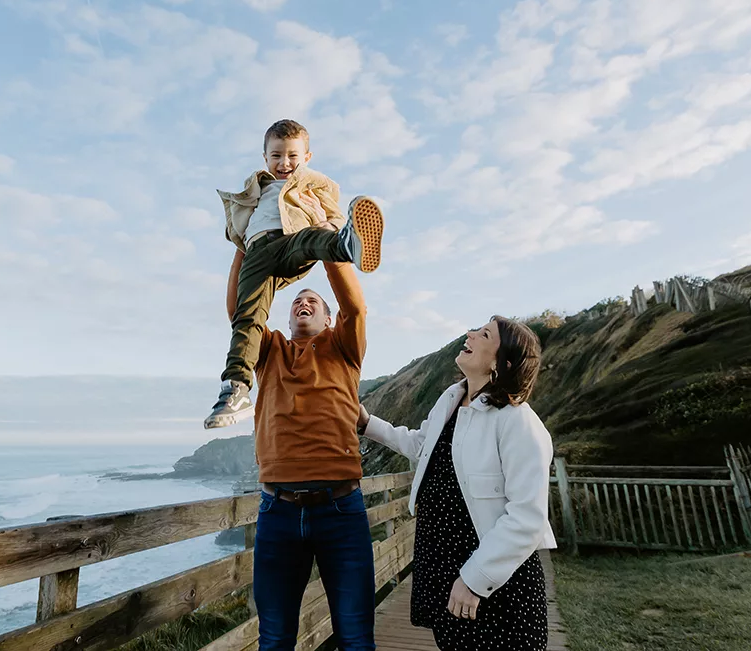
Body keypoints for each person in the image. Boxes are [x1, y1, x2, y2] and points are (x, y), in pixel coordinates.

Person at [357, 317, 557, 651]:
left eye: (485, 334)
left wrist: (475, 579)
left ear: (501, 363)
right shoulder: (451, 400)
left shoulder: (519, 421)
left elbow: (526, 518)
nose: (470, 334)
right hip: (445, 571)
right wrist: (367, 424)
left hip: (495, 586)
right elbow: (422, 445)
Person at [205, 119, 384, 429]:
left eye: (292, 156)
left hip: (291, 242)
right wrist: (242, 247)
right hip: (257, 254)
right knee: (246, 317)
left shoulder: (313, 185)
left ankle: (347, 246)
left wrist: (327, 226)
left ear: (307, 158)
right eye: (276, 156)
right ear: (265, 158)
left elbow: (329, 216)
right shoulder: (255, 189)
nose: (284, 163)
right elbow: (238, 230)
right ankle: (236, 388)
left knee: (309, 240)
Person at [234, 256, 376, 650]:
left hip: (341, 511)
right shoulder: (270, 350)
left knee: (355, 638)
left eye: (313, 300)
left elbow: (355, 307)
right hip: (277, 512)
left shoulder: (344, 347)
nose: (303, 303)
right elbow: (240, 313)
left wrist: (330, 248)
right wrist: (245, 250)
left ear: (329, 319)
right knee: (275, 639)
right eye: (297, 299)